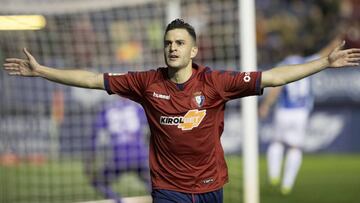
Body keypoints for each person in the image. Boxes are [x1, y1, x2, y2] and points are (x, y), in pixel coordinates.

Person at [3, 19, 360, 203]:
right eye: (168, 43)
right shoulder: (146, 82)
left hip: (210, 187)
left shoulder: (217, 82)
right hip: (167, 188)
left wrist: (324, 63)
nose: (172, 48)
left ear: (193, 51)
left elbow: (275, 75)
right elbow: (94, 79)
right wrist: (43, 71)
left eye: (179, 43)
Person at [259, 37, 342, 195]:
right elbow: (325, 54)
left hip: (284, 111)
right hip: (301, 112)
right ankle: (287, 184)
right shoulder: (308, 62)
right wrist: (336, 41)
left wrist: (266, 105)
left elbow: (275, 88)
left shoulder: (282, 64)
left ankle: (274, 175)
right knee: (295, 148)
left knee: (277, 142)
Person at [84, 98, 150, 203]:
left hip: (119, 158)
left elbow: (94, 134)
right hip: (139, 155)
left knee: (98, 182)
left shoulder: (107, 109)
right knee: (154, 183)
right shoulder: (137, 108)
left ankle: (118, 201)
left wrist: (90, 159)